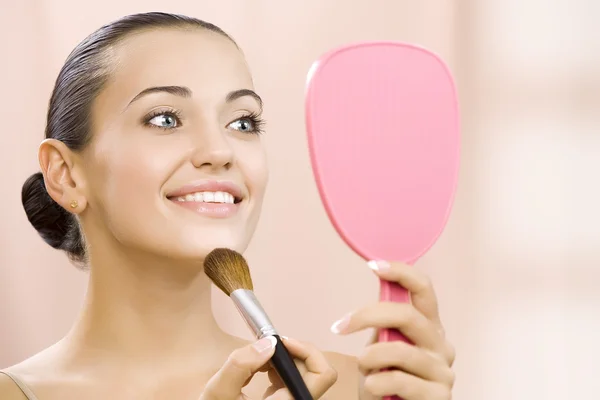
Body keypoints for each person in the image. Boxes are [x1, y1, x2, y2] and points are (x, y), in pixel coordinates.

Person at [0, 12, 456, 400]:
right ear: (65, 173)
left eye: (242, 121)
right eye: (165, 119)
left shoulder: (355, 388)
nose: (220, 151)